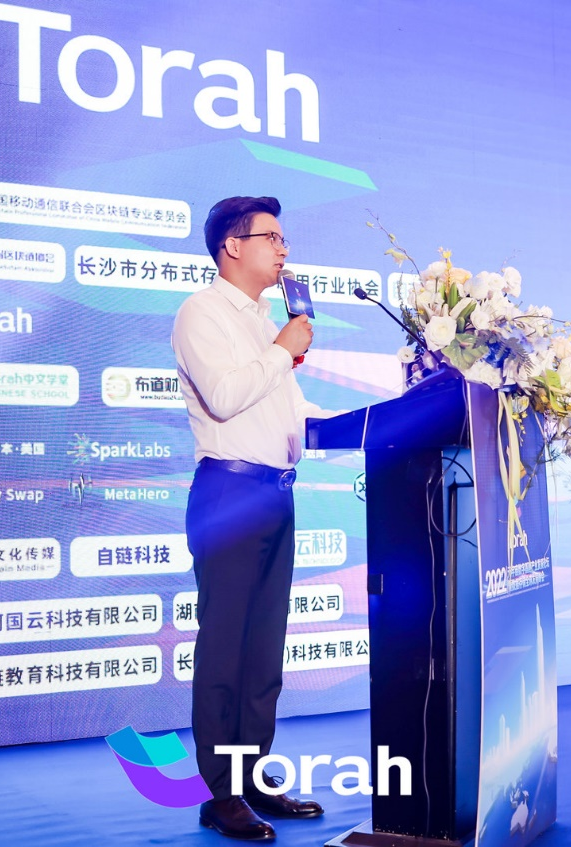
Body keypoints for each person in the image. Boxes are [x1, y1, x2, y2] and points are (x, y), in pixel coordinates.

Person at [172, 196, 333, 841]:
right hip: (229, 494)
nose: (284, 249)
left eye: (284, 238)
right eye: (271, 237)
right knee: (225, 647)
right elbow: (226, 396)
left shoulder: (267, 323)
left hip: (275, 493)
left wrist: (370, 423)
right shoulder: (202, 313)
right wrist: (284, 349)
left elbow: (288, 414)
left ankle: (254, 778)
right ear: (232, 247)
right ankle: (220, 794)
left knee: (264, 647)